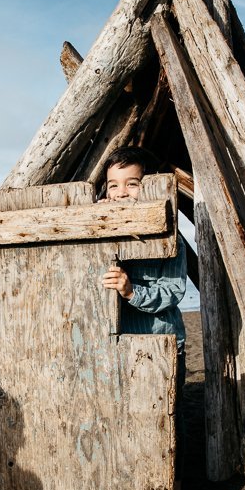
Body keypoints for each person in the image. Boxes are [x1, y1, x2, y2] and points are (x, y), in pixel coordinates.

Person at [98, 146, 187, 392]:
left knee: (167, 419)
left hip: (159, 342)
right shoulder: (98, 235)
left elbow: (173, 290)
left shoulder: (170, 237)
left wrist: (131, 292)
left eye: (132, 184)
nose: (121, 193)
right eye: (113, 185)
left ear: (148, 186)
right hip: (116, 344)